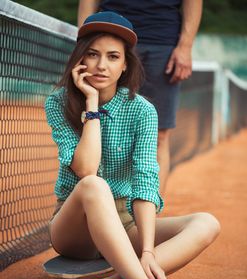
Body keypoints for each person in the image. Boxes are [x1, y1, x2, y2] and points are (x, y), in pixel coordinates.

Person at [45, 11, 220, 279]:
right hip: (74, 227)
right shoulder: (59, 102)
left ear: (125, 65)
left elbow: (145, 180)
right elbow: (86, 169)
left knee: (207, 223)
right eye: (93, 54)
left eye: (113, 57)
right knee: (94, 185)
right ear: (79, 58)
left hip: (123, 221)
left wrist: (150, 250)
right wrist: (92, 105)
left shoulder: (143, 110)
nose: (101, 65)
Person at [77, 0, 203, 200]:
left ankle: (148, 216)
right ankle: (104, 212)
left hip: (161, 41)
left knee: (159, 136)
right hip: (111, 36)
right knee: (100, 126)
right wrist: (83, 44)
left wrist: (185, 45)